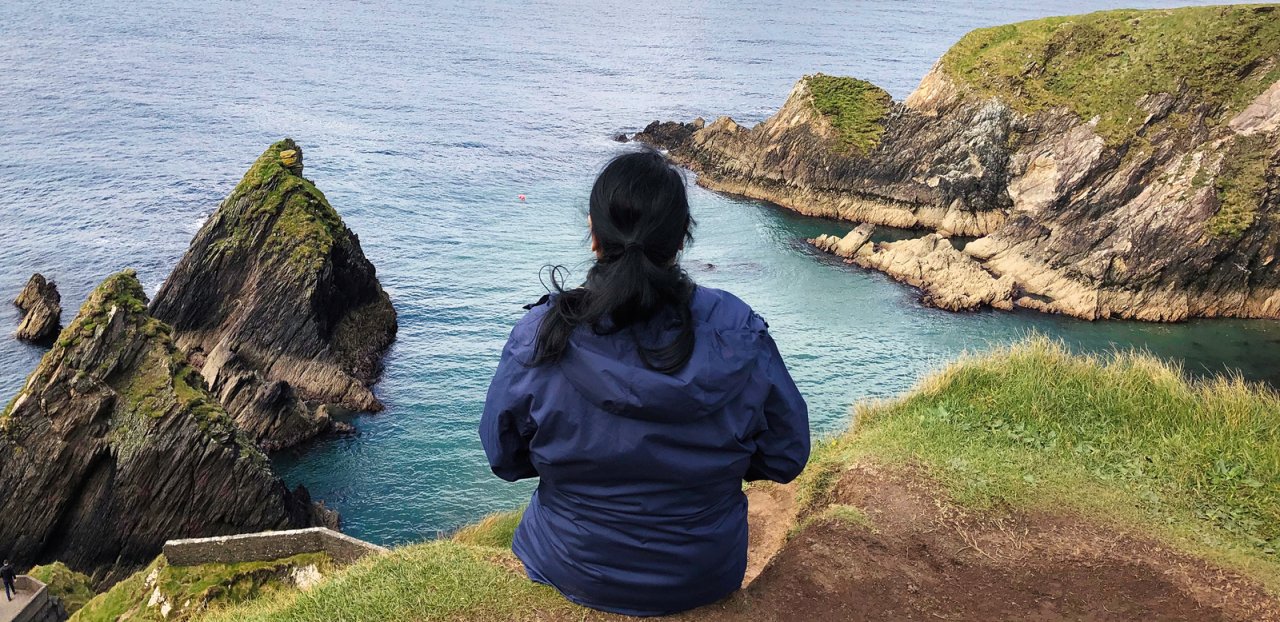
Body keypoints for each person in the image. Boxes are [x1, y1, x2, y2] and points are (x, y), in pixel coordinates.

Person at [479, 149, 810, 616]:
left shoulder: (542, 334)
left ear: (594, 235)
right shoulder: (738, 331)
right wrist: (709, 469)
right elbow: (786, 455)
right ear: (679, 241)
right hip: (702, 571)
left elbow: (504, 457)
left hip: (570, 561)